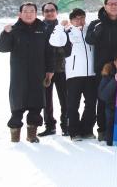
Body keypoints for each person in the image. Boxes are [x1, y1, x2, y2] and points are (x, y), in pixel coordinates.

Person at [0, 3, 55, 143]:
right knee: (17, 105)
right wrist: (5, 33)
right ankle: (15, 137)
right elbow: (1, 48)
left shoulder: (43, 29)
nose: (29, 14)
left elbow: (49, 52)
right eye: (26, 11)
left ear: (36, 13)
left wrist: (50, 70)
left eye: (32, 11)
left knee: (36, 105)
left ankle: (32, 135)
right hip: (19, 75)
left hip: (38, 74)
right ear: (20, 14)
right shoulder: (14, 30)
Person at [85, 0, 117, 142]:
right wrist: (97, 31)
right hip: (103, 68)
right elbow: (89, 40)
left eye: (115, 3)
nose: (113, 6)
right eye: (110, 4)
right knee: (103, 99)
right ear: (105, 6)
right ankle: (102, 129)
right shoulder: (96, 23)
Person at [49, 8, 97, 140]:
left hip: (91, 74)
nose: (79, 20)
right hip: (74, 75)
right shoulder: (67, 32)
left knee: (91, 104)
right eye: (76, 18)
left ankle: (87, 130)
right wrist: (60, 26)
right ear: (71, 20)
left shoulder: (90, 30)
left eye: (82, 17)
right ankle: (74, 131)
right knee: (72, 105)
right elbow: (54, 41)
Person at [40, 2, 68, 137]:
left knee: (65, 99)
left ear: (56, 12)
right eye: (46, 11)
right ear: (43, 13)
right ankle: (50, 126)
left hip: (61, 69)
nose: (49, 12)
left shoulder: (63, 27)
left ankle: (66, 125)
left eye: (52, 10)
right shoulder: (39, 27)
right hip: (44, 70)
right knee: (46, 101)